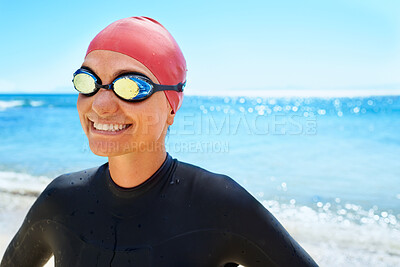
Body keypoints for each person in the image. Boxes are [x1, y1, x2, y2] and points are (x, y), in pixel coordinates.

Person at [1, 17, 318, 267]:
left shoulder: (220, 206)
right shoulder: (60, 200)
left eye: (131, 86)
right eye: (88, 82)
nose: (100, 104)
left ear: (171, 107)